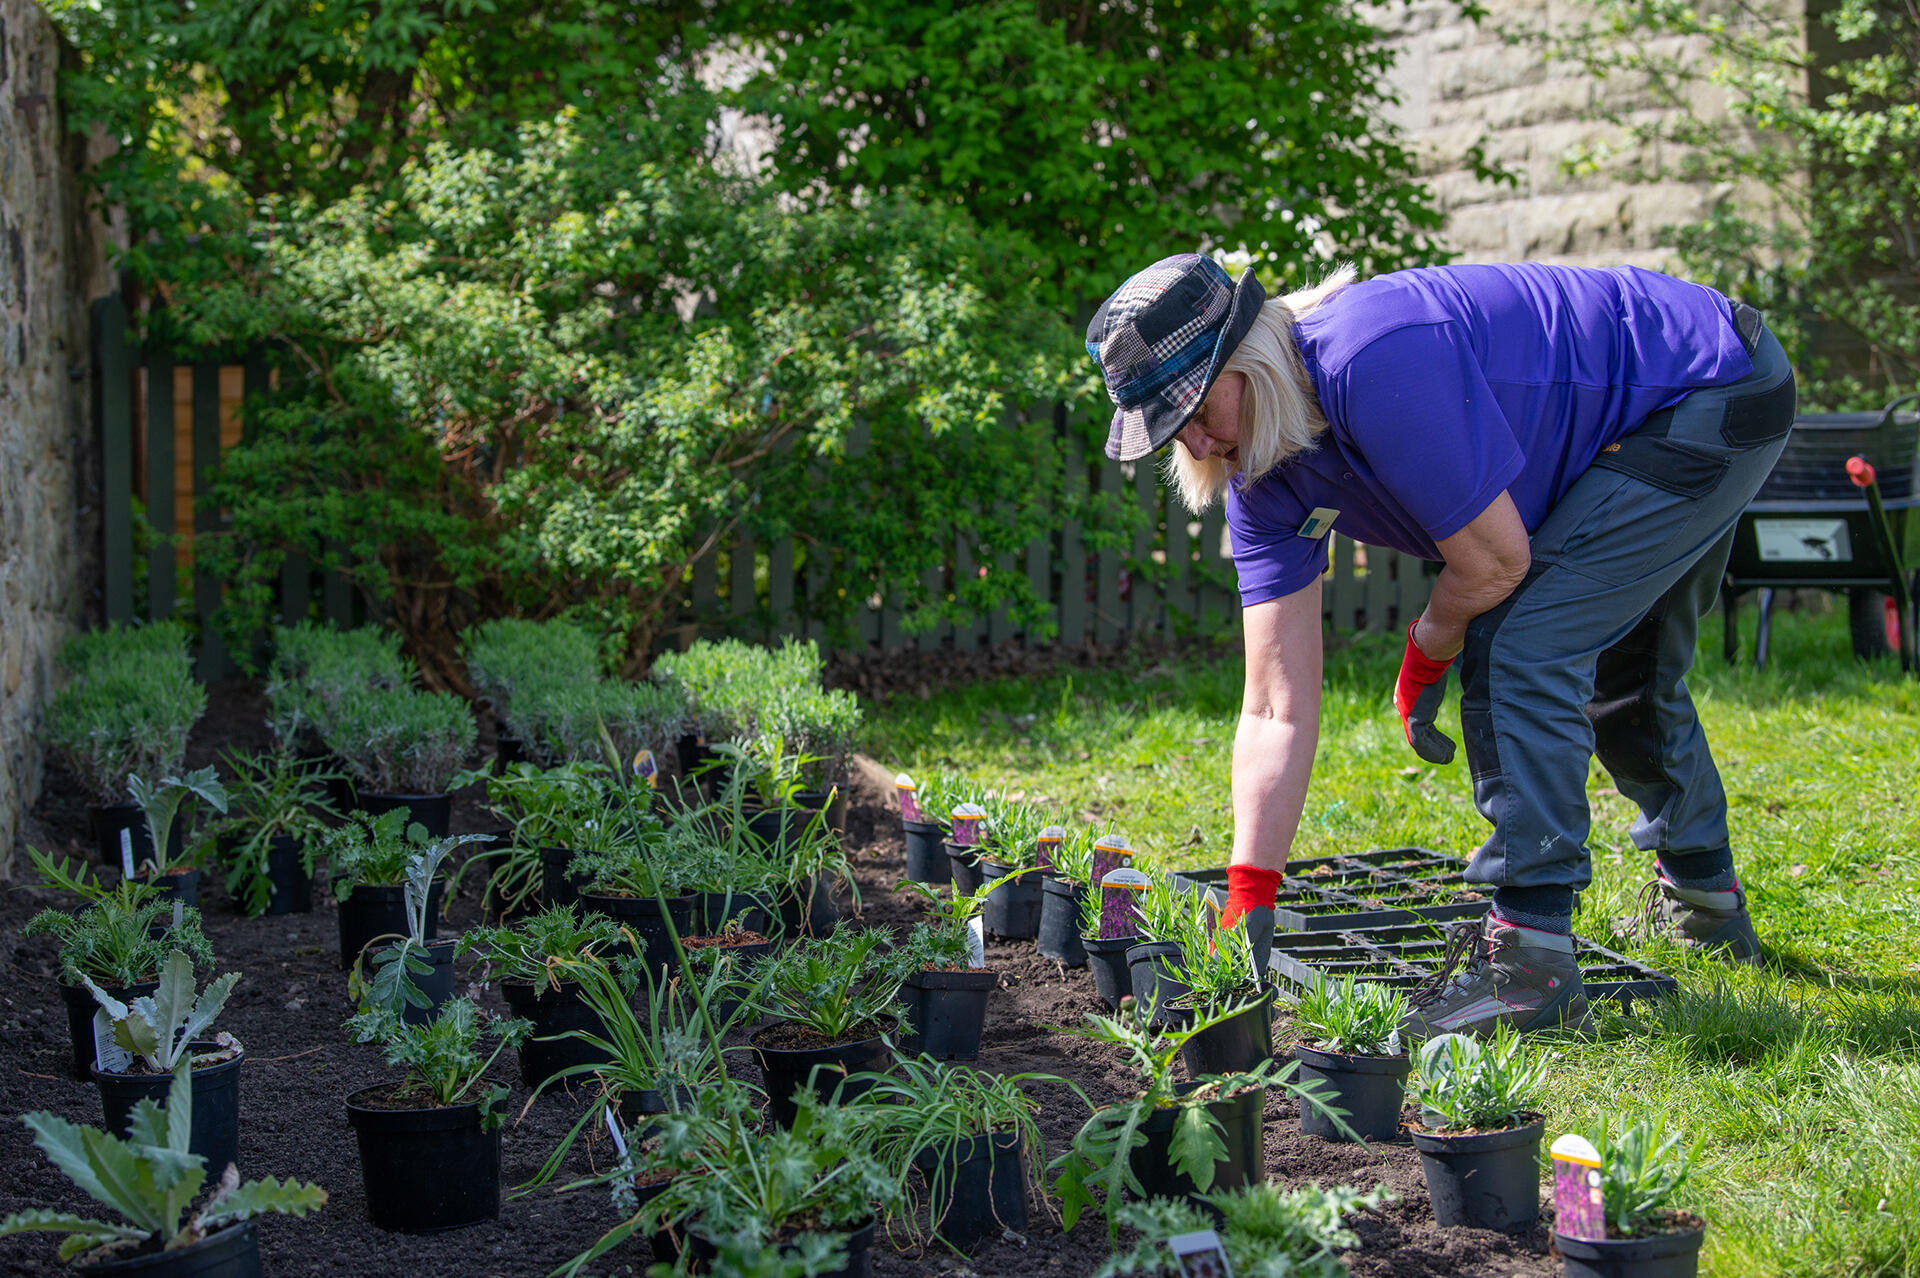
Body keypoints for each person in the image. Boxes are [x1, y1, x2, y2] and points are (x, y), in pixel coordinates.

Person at [1085, 255, 1794, 1037]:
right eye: (1168, 427)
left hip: (1709, 384)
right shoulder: (1264, 487)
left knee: (1523, 644)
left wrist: (1428, 647)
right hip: (1666, 405)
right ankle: (1706, 907)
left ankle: (1532, 971)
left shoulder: (1370, 358)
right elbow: (1273, 705)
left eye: (1191, 408)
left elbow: (1495, 563)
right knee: (1619, 656)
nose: (1193, 440)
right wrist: (1251, 894)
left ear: (1244, 357)